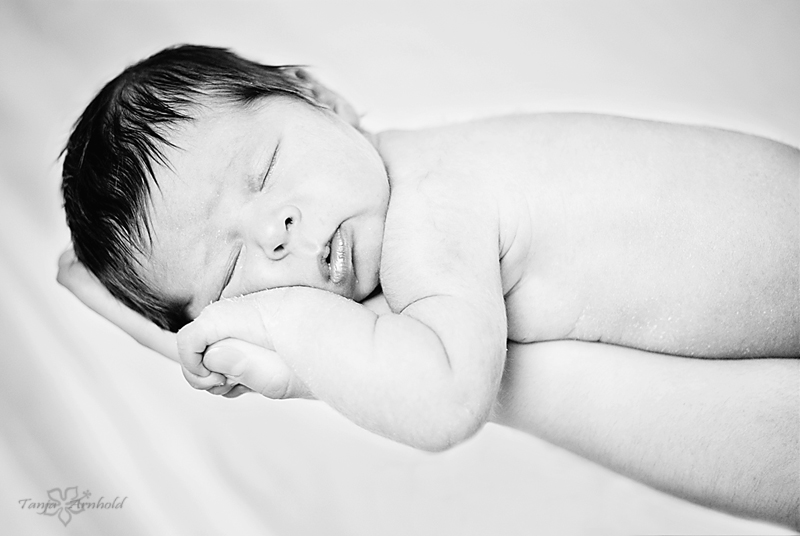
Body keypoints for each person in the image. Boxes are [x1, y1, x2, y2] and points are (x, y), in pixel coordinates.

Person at [57, 45, 799, 528]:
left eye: (265, 169)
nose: (275, 232)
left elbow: (442, 401)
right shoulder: (409, 220)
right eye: (230, 269)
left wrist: (283, 327)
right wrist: (195, 333)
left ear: (322, 99)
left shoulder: (433, 206)